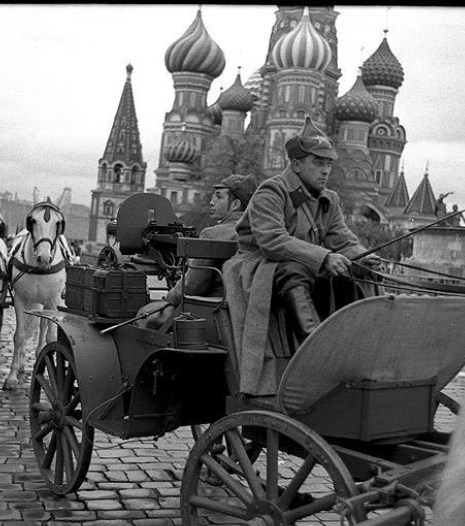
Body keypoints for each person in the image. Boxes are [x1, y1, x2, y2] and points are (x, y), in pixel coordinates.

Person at [223, 116, 382, 397]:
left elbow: (342, 239)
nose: (325, 171)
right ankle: (314, 352)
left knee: (354, 273)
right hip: (258, 268)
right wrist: (323, 257)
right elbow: (272, 241)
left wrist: (361, 257)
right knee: (294, 270)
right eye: (317, 163)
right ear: (296, 165)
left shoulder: (328, 199)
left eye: (328, 164)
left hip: (302, 265)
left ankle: (354, 350)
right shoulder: (271, 191)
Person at [136, 173, 257, 329]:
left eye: (218, 197)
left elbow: (193, 285)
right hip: (244, 309)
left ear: (235, 205)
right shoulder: (258, 233)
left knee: (144, 315)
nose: (211, 202)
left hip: (212, 312)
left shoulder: (212, 234)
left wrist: (168, 298)